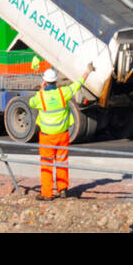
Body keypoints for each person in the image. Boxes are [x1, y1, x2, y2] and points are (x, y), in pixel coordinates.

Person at [29, 63, 94, 200]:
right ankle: (63, 190)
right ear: (56, 81)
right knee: (62, 162)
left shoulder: (41, 97)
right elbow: (77, 85)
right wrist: (86, 72)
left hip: (47, 137)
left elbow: (31, 103)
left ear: (45, 82)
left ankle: (47, 194)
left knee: (46, 164)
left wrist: (41, 90)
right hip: (62, 135)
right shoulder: (63, 93)